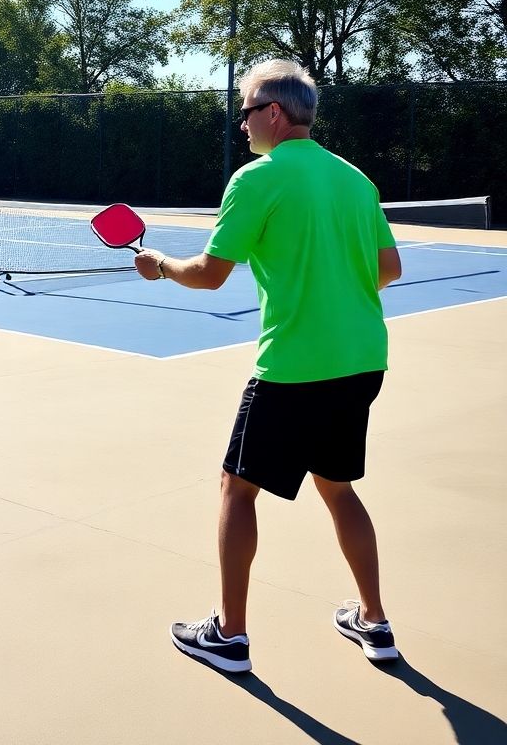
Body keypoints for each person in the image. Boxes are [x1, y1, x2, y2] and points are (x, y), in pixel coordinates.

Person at [134, 59, 402, 674]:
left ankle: (229, 635)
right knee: (338, 488)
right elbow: (388, 270)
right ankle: (375, 621)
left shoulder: (256, 179)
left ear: (274, 114)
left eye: (248, 112)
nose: (244, 125)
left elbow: (208, 274)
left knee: (236, 486)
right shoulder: (356, 180)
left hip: (293, 368)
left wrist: (160, 265)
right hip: (362, 361)